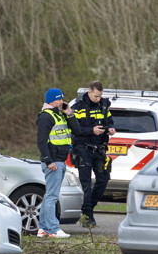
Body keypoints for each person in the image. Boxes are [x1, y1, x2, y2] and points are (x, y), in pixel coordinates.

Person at [70, 81, 116, 228]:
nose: (98, 99)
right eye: (96, 96)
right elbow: (75, 129)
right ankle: (88, 216)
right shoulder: (77, 107)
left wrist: (110, 129)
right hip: (83, 148)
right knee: (86, 184)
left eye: (100, 96)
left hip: (99, 148)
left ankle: (87, 208)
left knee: (103, 179)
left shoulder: (104, 105)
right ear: (89, 92)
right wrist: (92, 130)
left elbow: (109, 121)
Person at [35, 87, 78, 238]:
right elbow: (41, 141)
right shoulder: (45, 117)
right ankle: (53, 229)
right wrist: (48, 161)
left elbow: (77, 130)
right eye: (59, 99)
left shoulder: (60, 115)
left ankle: (43, 229)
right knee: (52, 197)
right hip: (53, 162)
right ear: (51, 100)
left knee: (49, 196)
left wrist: (70, 114)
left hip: (60, 160)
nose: (62, 101)